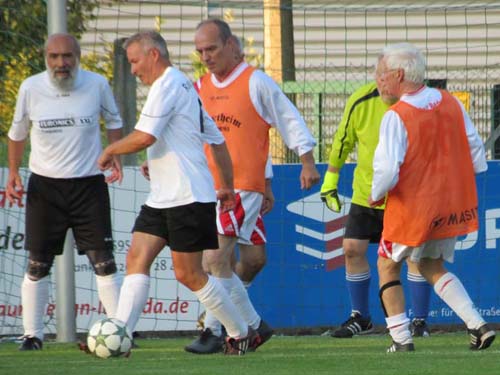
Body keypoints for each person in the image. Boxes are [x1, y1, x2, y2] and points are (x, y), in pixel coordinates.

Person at [97, 30, 255, 356]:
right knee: (136, 258)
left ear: (154, 55)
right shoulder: (184, 85)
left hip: (187, 196)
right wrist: (224, 185)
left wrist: (111, 149)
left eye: (135, 61)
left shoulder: (168, 84)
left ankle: (241, 333)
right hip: (164, 196)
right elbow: (216, 141)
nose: (133, 69)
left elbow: (145, 137)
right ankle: (121, 336)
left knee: (190, 274)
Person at [185, 18, 320, 354]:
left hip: (240, 187)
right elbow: (194, 135)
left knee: (214, 261)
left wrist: (307, 160)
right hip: (209, 188)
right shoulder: (198, 87)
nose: (206, 56)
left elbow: (286, 118)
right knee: (254, 259)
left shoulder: (255, 81)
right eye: (200, 50)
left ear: (231, 46)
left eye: (212, 48)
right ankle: (234, 325)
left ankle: (226, 329)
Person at [369, 42, 495, 352]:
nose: (378, 80)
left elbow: (387, 169)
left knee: (386, 264)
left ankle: (401, 340)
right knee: (430, 264)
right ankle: (478, 325)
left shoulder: (396, 115)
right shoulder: (450, 102)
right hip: (452, 203)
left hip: (413, 208)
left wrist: (375, 195)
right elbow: (476, 151)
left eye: (382, 74)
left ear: (399, 74)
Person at [6, 33, 123, 351]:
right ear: (46, 57)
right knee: (37, 263)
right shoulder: (31, 87)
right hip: (45, 187)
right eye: (55, 56)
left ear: (78, 56)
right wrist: (14, 173)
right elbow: (17, 134)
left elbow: (114, 121)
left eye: (67, 56)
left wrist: (115, 155)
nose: (61, 63)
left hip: (89, 185)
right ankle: (32, 335)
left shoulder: (97, 84)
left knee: (104, 261)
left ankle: (120, 331)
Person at [320, 80, 432, 338]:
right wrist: (331, 179)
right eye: (379, 75)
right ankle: (361, 317)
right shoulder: (360, 100)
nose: (382, 81)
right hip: (366, 195)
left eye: (388, 75)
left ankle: (419, 321)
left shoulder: (417, 101)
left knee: (414, 256)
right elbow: (343, 140)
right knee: (351, 249)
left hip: (407, 196)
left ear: (400, 75)